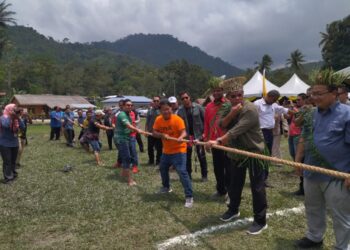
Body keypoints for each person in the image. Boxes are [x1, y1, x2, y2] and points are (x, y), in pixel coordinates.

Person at [294, 70, 350, 249]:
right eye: (312, 94)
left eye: (319, 94)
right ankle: (314, 236)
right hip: (311, 172)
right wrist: (298, 159)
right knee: (312, 207)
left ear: (334, 93)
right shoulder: (311, 114)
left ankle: (343, 246)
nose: (314, 98)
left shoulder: (347, 114)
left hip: (336, 175)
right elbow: (304, 136)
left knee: (340, 214)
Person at [206, 80, 268, 235]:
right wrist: (232, 112)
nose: (237, 99)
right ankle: (233, 210)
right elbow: (221, 124)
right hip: (236, 153)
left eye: (239, 95)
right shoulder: (228, 107)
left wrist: (219, 141)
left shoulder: (250, 109)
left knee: (257, 188)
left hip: (254, 153)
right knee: (234, 184)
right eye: (233, 96)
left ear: (243, 95)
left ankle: (260, 221)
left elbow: (236, 130)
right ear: (228, 97)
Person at [153, 99, 193, 208]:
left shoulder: (177, 119)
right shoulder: (158, 119)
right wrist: (161, 135)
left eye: (168, 109)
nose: (166, 111)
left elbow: (184, 132)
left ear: (171, 108)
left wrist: (181, 137)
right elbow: (154, 132)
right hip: (167, 151)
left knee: (182, 171)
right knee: (162, 168)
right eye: (163, 110)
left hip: (179, 150)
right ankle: (166, 187)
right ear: (160, 111)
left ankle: (189, 196)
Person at [254, 90, 290, 186]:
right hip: (260, 133)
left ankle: (264, 178)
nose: (274, 101)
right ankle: (258, 178)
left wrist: (292, 110)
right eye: (274, 99)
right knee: (260, 156)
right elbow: (252, 117)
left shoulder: (273, 105)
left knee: (267, 156)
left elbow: (282, 109)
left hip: (270, 133)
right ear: (269, 96)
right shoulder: (257, 104)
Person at [203, 82, 230, 199]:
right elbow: (207, 125)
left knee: (229, 168)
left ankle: (230, 191)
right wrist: (206, 141)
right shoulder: (208, 106)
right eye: (214, 91)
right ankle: (221, 190)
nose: (216, 93)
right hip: (214, 142)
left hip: (227, 142)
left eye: (219, 90)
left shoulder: (229, 104)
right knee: (217, 168)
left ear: (223, 91)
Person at [178, 91, 208, 181]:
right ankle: (188, 175)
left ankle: (204, 175)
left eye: (186, 97)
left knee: (201, 156)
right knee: (187, 157)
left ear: (189, 97)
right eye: (183, 98)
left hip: (199, 136)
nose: (185, 99)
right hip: (187, 137)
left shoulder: (198, 107)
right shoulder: (180, 111)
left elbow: (206, 121)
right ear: (181, 100)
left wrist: (204, 134)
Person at [114, 99, 145, 186]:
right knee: (127, 158)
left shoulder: (128, 114)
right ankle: (130, 181)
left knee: (126, 156)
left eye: (131, 105)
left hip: (126, 138)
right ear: (123, 106)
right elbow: (128, 125)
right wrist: (138, 130)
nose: (130, 106)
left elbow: (130, 127)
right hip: (121, 139)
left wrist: (136, 130)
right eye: (127, 105)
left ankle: (123, 173)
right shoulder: (122, 115)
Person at [0, 104, 24, 184]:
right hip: (5, 143)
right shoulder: (3, 117)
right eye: (13, 109)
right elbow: (6, 125)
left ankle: (13, 174)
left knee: (13, 161)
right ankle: (8, 178)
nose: (15, 110)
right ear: (9, 109)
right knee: (7, 161)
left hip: (14, 143)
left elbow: (22, 127)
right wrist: (11, 117)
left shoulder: (17, 118)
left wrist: (17, 117)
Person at [288, 93, 307, 195]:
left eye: (299, 100)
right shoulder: (297, 109)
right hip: (292, 134)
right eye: (296, 100)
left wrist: (295, 112)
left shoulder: (307, 109)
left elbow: (299, 121)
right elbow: (289, 117)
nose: (297, 102)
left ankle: (303, 187)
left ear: (304, 100)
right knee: (294, 155)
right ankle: (298, 170)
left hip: (299, 136)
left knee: (300, 159)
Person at [145, 96, 162, 165]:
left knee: (159, 148)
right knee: (150, 148)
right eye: (154, 101)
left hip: (159, 133)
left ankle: (158, 161)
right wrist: (146, 131)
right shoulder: (150, 111)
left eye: (157, 101)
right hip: (150, 133)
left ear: (159, 101)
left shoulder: (161, 110)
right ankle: (151, 160)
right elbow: (147, 122)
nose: (156, 102)